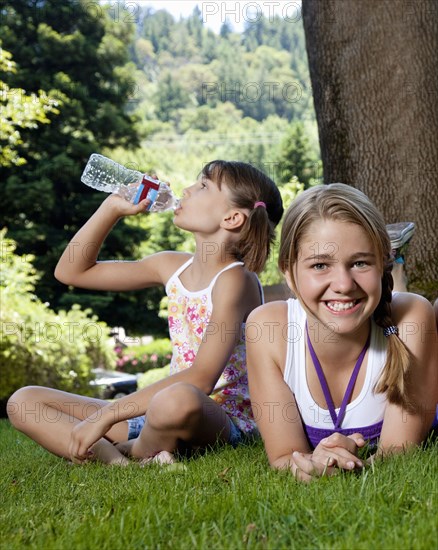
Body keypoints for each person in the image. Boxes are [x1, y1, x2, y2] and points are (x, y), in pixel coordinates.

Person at [7, 160, 283, 465]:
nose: (187, 190)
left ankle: (132, 451)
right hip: (155, 416)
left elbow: (202, 379)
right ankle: (120, 463)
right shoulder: (170, 266)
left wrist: (106, 415)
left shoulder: (236, 280)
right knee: (24, 401)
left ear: (231, 218)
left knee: (177, 398)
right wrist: (111, 209)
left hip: (216, 419)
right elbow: (72, 271)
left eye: (203, 186)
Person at [246, 183, 437, 482]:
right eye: (320, 265)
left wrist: (348, 463)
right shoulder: (268, 329)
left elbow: (399, 452)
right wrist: (315, 464)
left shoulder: (412, 318)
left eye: (360, 262)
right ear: (288, 271)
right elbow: (285, 456)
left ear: (381, 265)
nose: (344, 284)